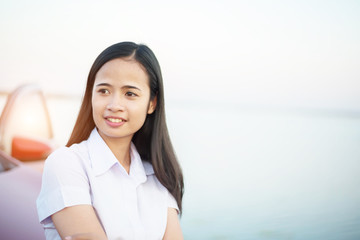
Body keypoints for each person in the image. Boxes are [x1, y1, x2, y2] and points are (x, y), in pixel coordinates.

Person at [36, 42, 184, 240]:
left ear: (152, 103)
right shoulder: (66, 163)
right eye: (104, 91)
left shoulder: (159, 177)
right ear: (91, 94)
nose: (114, 105)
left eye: (130, 94)